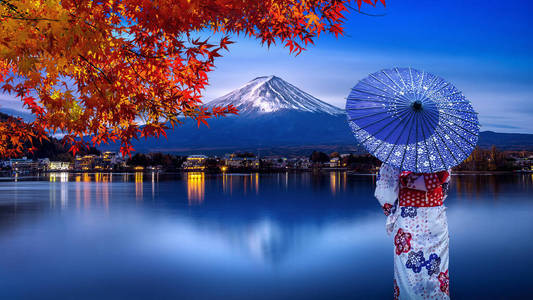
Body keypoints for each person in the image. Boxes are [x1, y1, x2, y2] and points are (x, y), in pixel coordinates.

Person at [375, 163, 451, 300]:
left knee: (408, 275)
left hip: (408, 220)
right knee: (436, 271)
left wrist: (392, 210)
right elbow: (444, 188)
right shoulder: (440, 156)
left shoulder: (397, 156)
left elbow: (385, 192)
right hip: (436, 219)